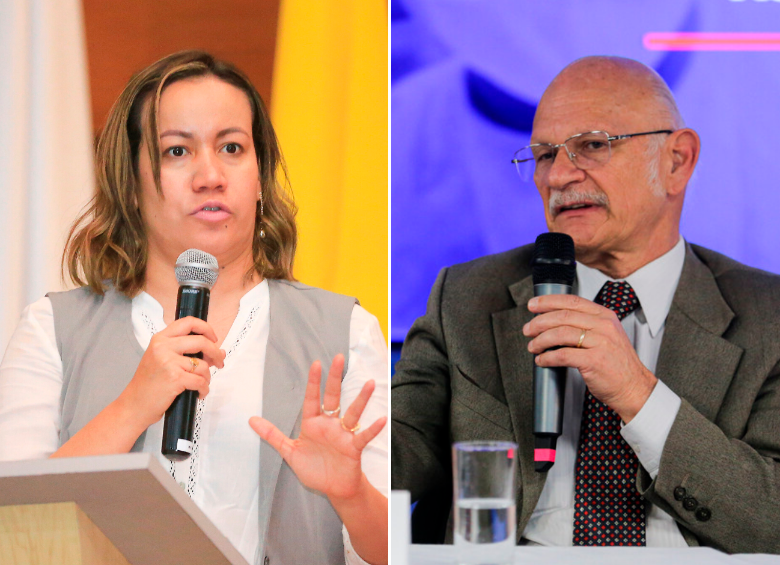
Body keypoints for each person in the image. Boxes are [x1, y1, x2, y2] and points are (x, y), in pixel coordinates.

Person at [0, 51, 388, 565]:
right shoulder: (53, 328)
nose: (210, 175)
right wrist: (132, 407)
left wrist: (351, 494)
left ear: (259, 175)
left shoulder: (345, 331)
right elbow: (14, 530)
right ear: (130, 183)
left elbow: (392, 554)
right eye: (177, 152)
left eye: (232, 147)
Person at [391, 55, 780, 553]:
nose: (558, 176)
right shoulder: (468, 296)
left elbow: (771, 518)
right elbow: (398, 453)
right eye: (544, 155)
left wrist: (639, 395)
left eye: (592, 146)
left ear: (677, 161)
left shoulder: (767, 316)